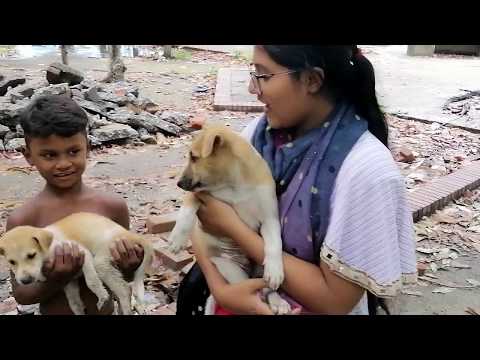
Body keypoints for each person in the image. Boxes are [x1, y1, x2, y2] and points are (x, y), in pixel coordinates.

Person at [177, 45, 417, 315]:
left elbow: (336, 301)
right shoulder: (258, 135)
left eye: (263, 75)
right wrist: (224, 292)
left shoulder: (367, 172)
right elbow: (204, 217)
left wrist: (236, 230)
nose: (251, 88)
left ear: (312, 80)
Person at [5, 95, 144, 315]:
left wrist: (130, 266)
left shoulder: (112, 207)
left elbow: (124, 276)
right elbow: (22, 294)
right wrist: (57, 278)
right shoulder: (24, 221)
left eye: (73, 151)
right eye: (49, 155)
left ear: (87, 147)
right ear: (28, 156)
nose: (63, 164)